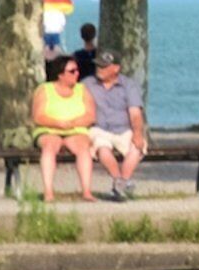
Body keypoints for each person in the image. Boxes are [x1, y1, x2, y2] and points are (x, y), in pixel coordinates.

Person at [29, 55, 98, 203]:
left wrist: (72, 123)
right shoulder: (44, 90)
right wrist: (58, 123)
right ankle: (48, 191)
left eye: (77, 70)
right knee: (49, 146)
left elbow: (90, 115)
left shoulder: (82, 90)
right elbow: (38, 116)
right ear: (60, 74)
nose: (77, 74)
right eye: (72, 71)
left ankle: (86, 190)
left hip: (75, 129)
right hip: (49, 129)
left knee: (83, 148)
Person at [83, 52, 148, 203]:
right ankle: (119, 181)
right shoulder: (87, 84)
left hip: (123, 129)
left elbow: (135, 113)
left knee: (137, 146)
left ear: (116, 68)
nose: (99, 69)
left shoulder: (128, 85)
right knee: (101, 146)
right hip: (98, 128)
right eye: (98, 65)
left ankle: (122, 183)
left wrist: (137, 133)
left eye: (104, 66)